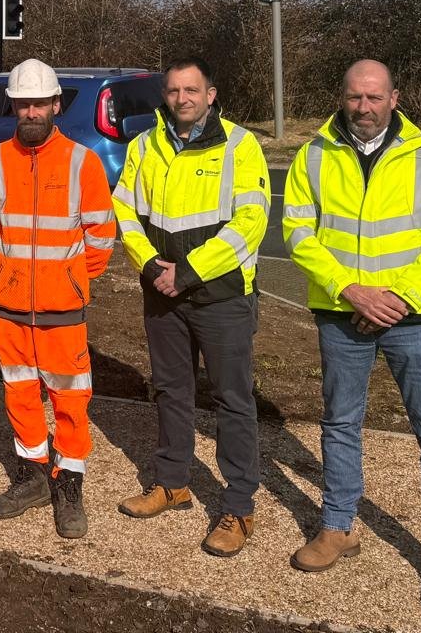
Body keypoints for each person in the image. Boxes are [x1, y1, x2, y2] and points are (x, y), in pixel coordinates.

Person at [284, 59, 421, 614]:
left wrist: (396, 299)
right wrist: (350, 290)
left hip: (414, 315)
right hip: (343, 312)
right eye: (354, 97)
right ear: (342, 98)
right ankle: (338, 526)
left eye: (374, 97)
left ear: (394, 98)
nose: (363, 107)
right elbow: (297, 231)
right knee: (340, 423)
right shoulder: (314, 153)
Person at [111, 56, 270, 556]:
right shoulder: (145, 145)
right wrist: (153, 265)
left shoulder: (241, 146)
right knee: (171, 390)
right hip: (162, 290)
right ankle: (172, 482)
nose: (183, 99)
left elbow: (251, 221)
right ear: (166, 95)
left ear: (211, 93)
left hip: (220, 295)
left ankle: (239, 506)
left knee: (232, 400)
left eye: (192, 90)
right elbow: (124, 210)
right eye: (175, 91)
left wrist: (191, 270)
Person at [0, 58, 116, 539]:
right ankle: (33, 478)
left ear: (56, 105)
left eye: (40, 103)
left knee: (70, 397)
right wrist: (14, 277)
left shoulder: (83, 161)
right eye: (23, 104)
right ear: (14, 106)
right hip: (11, 305)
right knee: (19, 392)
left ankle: (69, 483)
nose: (31, 112)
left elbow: (101, 237)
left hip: (63, 305)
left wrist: (72, 279)